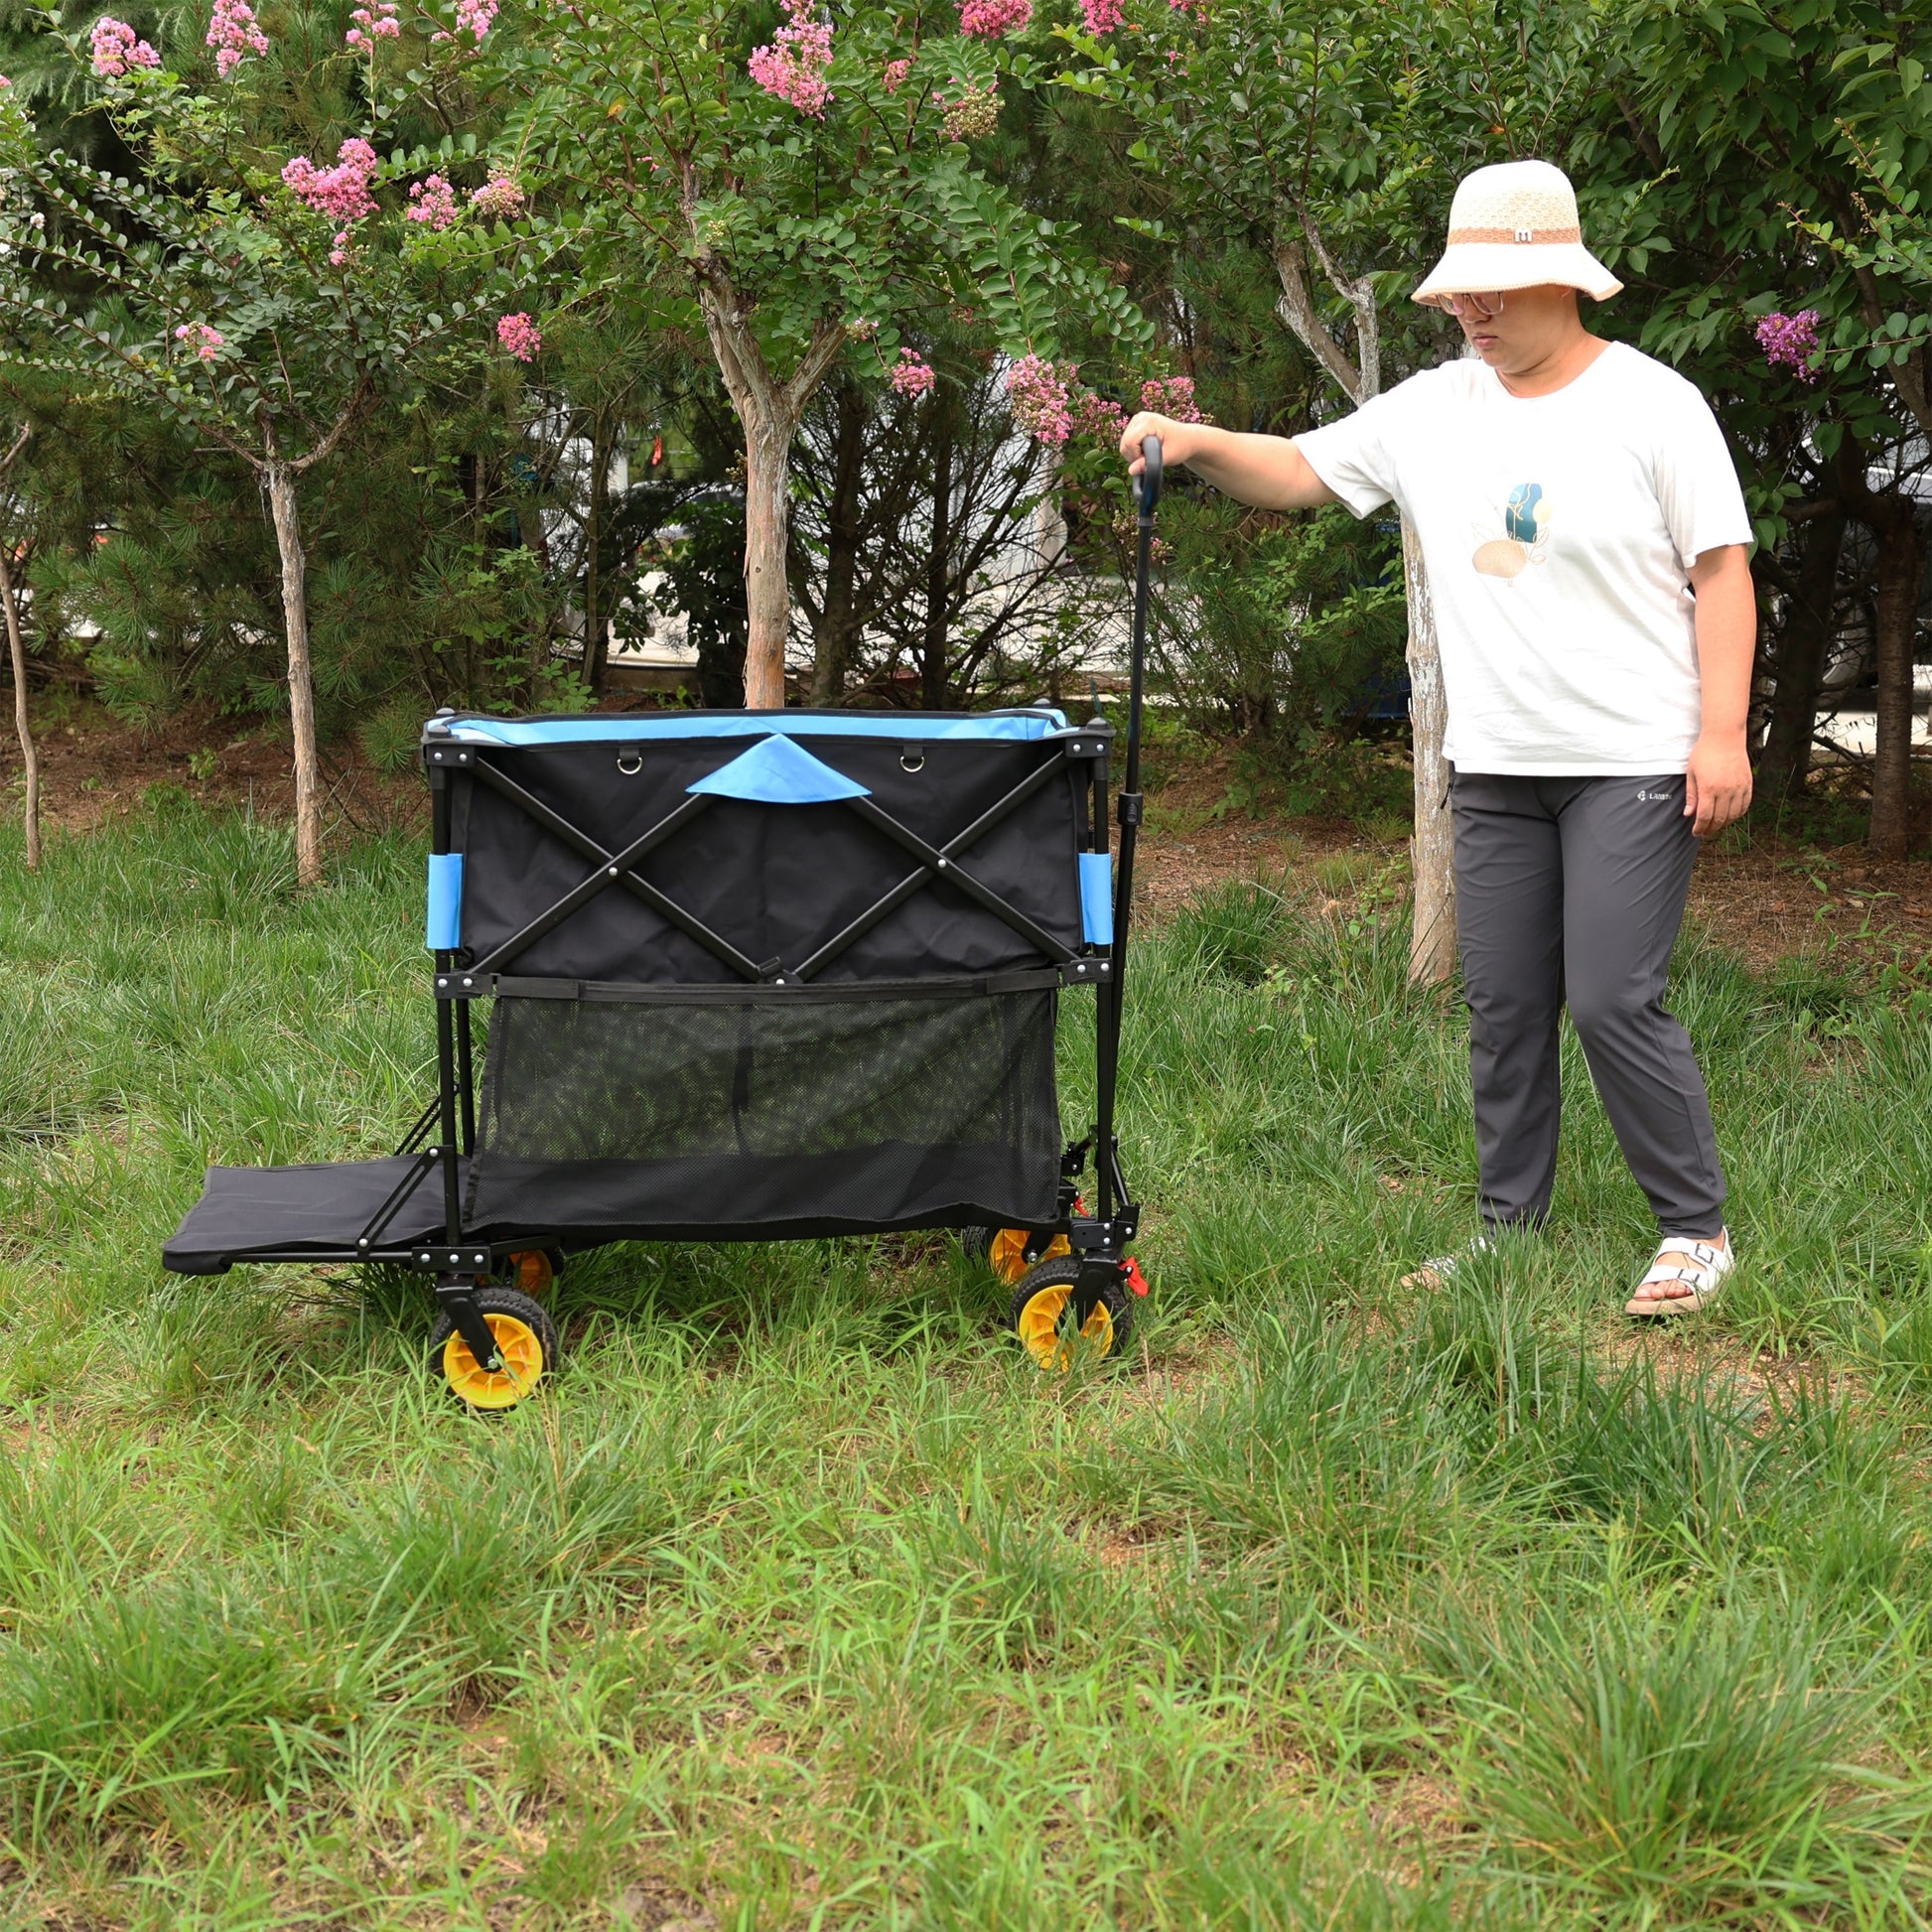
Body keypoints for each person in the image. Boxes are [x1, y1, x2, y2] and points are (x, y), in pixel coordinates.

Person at [1118, 159, 1755, 1317]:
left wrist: (1721, 733)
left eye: (1493, 290)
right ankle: (1508, 1231)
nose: (1470, 308)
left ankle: (1693, 1230)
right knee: (1504, 1004)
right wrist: (1194, 439)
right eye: (1460, 290)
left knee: (1612, 996)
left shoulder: (1651, 404)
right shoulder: (1431, 407)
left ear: (1560, 280)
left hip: (1630, 757)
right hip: (1495, 763)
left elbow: (1720, 570)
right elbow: (1304, 470)